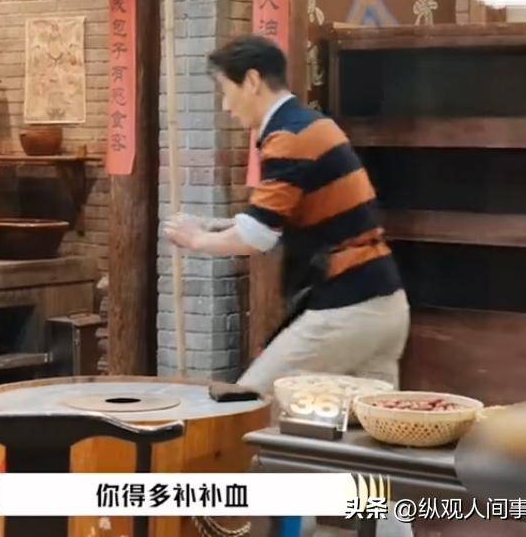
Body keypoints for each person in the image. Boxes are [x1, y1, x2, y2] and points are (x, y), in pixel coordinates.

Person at [164, 34, 410, 399]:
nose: (226, 106)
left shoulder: (289, 138)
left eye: (225, 90)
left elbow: (258, 236)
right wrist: (219, 225)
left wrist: (196, 239)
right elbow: (277, 217)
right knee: (367, 426)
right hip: (384, 304)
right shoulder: (309, 124)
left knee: (248, 404)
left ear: (252, 81)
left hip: (348, 309)